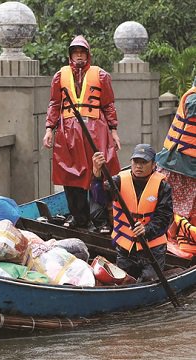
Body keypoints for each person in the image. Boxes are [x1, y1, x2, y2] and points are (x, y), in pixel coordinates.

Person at [43, 35, 121, 233]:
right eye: (75, 52)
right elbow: (54, 104)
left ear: (88, 54)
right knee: (70, 175)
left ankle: (101, 220)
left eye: (82, 52)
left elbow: (108, 105)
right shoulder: (60, 76)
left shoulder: (101, 75)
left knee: (100, 173)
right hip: (68, 132)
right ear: (70, 55)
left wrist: (113, 130)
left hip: (96, 129)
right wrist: (49, 129)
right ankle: (79, 217)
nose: (78, 55)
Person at [92, 144, 173, 282]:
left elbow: (164, 218)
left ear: (154, 164)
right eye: (136, 162)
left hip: (152, 247)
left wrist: (146, 230)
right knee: (124, 280)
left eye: (144, 162)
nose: (138, 166)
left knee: (149, 280)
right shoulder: (118, 181)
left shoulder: (163, 187)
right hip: (126, 247)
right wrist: (97, 176)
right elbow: (99, 199)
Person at [157, 77, 196, 227]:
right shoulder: (192, 96)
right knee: (173, 204)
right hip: (179, 161)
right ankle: (173, 234)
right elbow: (192, 109)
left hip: (189, 163)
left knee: (189, 207)